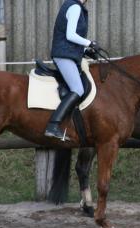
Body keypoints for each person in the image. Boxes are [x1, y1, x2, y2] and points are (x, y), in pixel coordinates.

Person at [44, 0, 98, 141]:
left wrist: (86, 50)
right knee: (78, 89)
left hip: (69, 54)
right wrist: (89, 43)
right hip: (64, 55)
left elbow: (72, 39)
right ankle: (53, 125)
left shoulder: (75, 6)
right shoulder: (74, 7)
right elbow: (70, 35)